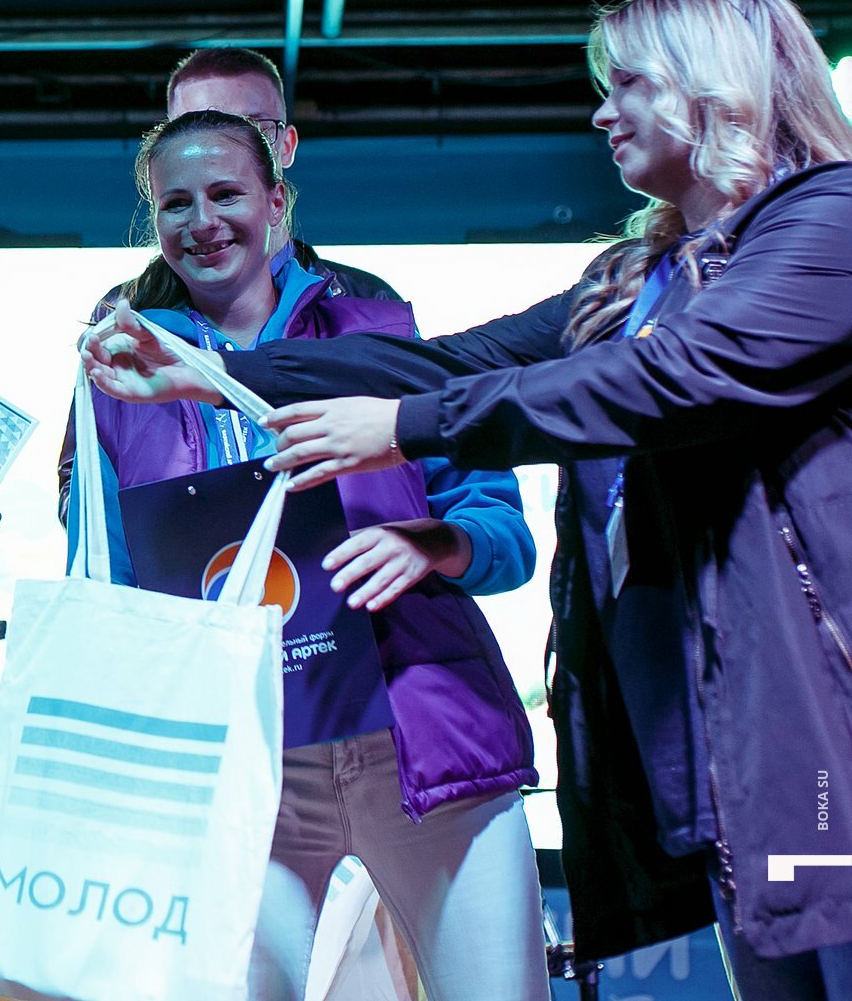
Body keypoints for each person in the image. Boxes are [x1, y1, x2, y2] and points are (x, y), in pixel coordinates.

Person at [84, 0, 852, 999]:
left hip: (815, 711)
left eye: (627, 84)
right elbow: (450, 360)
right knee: (782, 961)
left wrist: (402, 431)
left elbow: (670, 377)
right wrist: (215, 372)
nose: (602, 112)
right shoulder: (636, 278)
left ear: (715, 86)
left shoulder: (827, 220)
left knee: (833, 935)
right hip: (707, 704)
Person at [63, 109, 547, 1001]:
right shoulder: (120, 383)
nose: (202, 222)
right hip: (245, 773)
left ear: (276, 203)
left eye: (226, 194)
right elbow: (107, 587)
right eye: (175, 203)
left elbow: (505, 538)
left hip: (417, 740)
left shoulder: (378, 336)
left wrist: (432, 546)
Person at [168, 47, 400, 301]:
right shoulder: (137, 310)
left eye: (255, 129)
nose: (227, 151)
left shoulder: (370, 302)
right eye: (200, 132)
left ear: (287, 146)